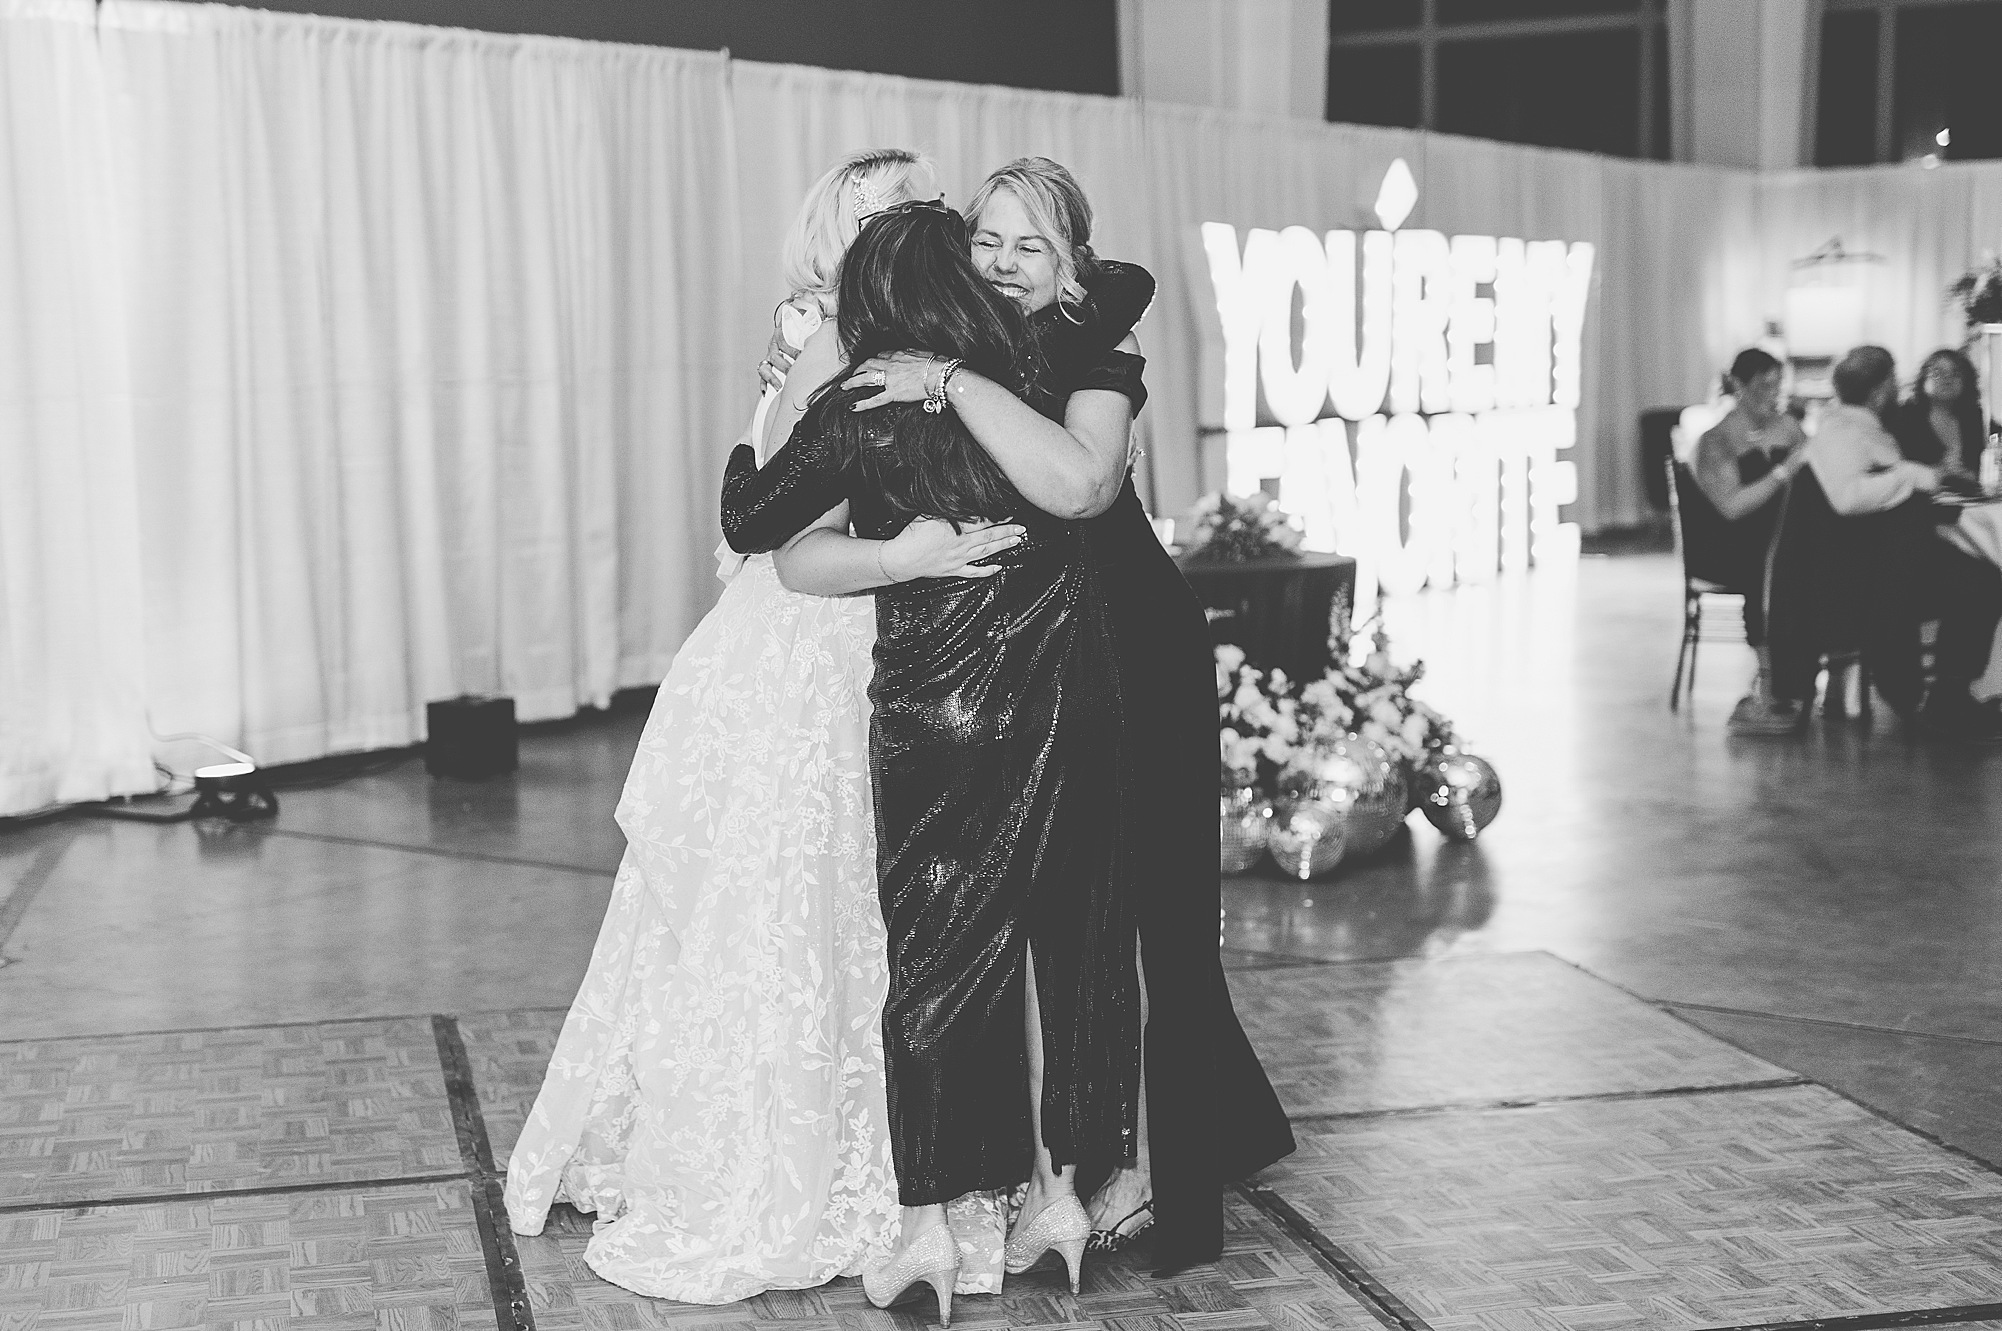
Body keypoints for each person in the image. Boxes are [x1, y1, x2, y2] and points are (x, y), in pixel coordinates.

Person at [501, 149, 1027, 1306]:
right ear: (849, 235)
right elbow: (774, 535)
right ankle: (804, 1172)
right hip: (817, 645)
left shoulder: (913, 348)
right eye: (893, 209)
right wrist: (896, 547)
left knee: (865, 918)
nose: (925, 221)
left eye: (923, 204)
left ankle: (898, 1176)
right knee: (789, 909)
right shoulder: (837, 341)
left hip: (874, 642)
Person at [829, 157, 1295, 1270]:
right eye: (986, 239)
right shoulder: (958, 338)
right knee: (1056, 918)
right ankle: (1054, 1175)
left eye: (1030, 245)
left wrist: (948, 380)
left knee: (1141, 916)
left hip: (1129, 645)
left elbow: (1081, 486)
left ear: (1071, 263)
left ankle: (1144, 1172)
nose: (1002, 262)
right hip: (1027, 659)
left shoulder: (1094, 346)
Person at [722, 200, 1146, 1322]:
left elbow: (752, 520)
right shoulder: (1035, 378)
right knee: (1070, 946)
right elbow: (1120, 294)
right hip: (1065, 698)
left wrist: (758, 424)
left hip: (936, 712)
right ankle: (1060, 1198)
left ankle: (927, 1229)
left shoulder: (863, 403)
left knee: (935, 968)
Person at [1784, 345, 2002, 740]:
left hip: (1882, 562)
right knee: (1982, 581)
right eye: (1891, 382)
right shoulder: (1844, 432)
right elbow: (1847, 498)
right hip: (1863, 574)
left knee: (1980, 574)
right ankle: (1948, 698)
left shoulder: (1859, 427)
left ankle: (1951, 693)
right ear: (1880, 391)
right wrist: (1910, 476)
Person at [1688, 349, 1813, 734]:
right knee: (1766, 560)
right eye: (1762, 386)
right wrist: (1783, 471)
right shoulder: (1716, 440)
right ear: (1739, 386)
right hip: (1732, 544)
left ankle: (1821, 677)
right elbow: (1732, 507)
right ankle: (1771, 680)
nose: (1772, 395)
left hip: (1785, 538)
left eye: (1777, 385)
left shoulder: (1789, 427)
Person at [1892, 348, 1988, 479]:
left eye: (1956, 373)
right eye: (1937, 373)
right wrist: (1941, 471)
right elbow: (1897, 468)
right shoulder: (1905, 417)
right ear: (1923, 379)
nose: (1947, 379)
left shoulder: (1976, 417)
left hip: (1971, 491)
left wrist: (1973, 475)